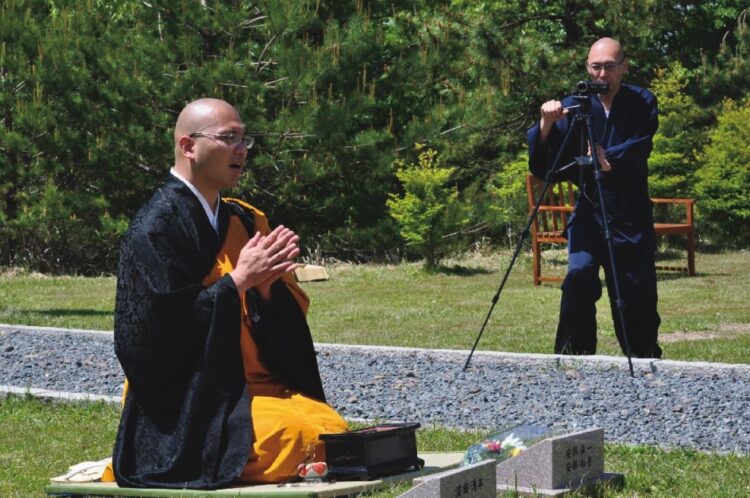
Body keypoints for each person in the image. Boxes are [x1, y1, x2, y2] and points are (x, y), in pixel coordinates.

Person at [110, 98, 348, 489]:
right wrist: (238, 282)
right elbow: (151, 337)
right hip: (186, 401)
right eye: (228, 138)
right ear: (188, 146)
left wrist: (267, 287)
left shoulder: (245, 219)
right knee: (295, 438)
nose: (241, 150)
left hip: (247, 384)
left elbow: (278, 322)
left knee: (328, 428)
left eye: (244, 139)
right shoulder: (155, 228)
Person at [527, 37, 663, 358]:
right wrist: (546, 123)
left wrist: (609, 158)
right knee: (579, 277)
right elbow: (546, 164)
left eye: (609, 67)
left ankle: (643, 360)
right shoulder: (576, 104)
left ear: (623, 67)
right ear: (588, 67)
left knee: (634, 295)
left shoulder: (641, 101)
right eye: (596, 67)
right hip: (588, 213)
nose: (602, 74)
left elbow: (641, 143)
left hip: (629, 217)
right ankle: (575, 358)